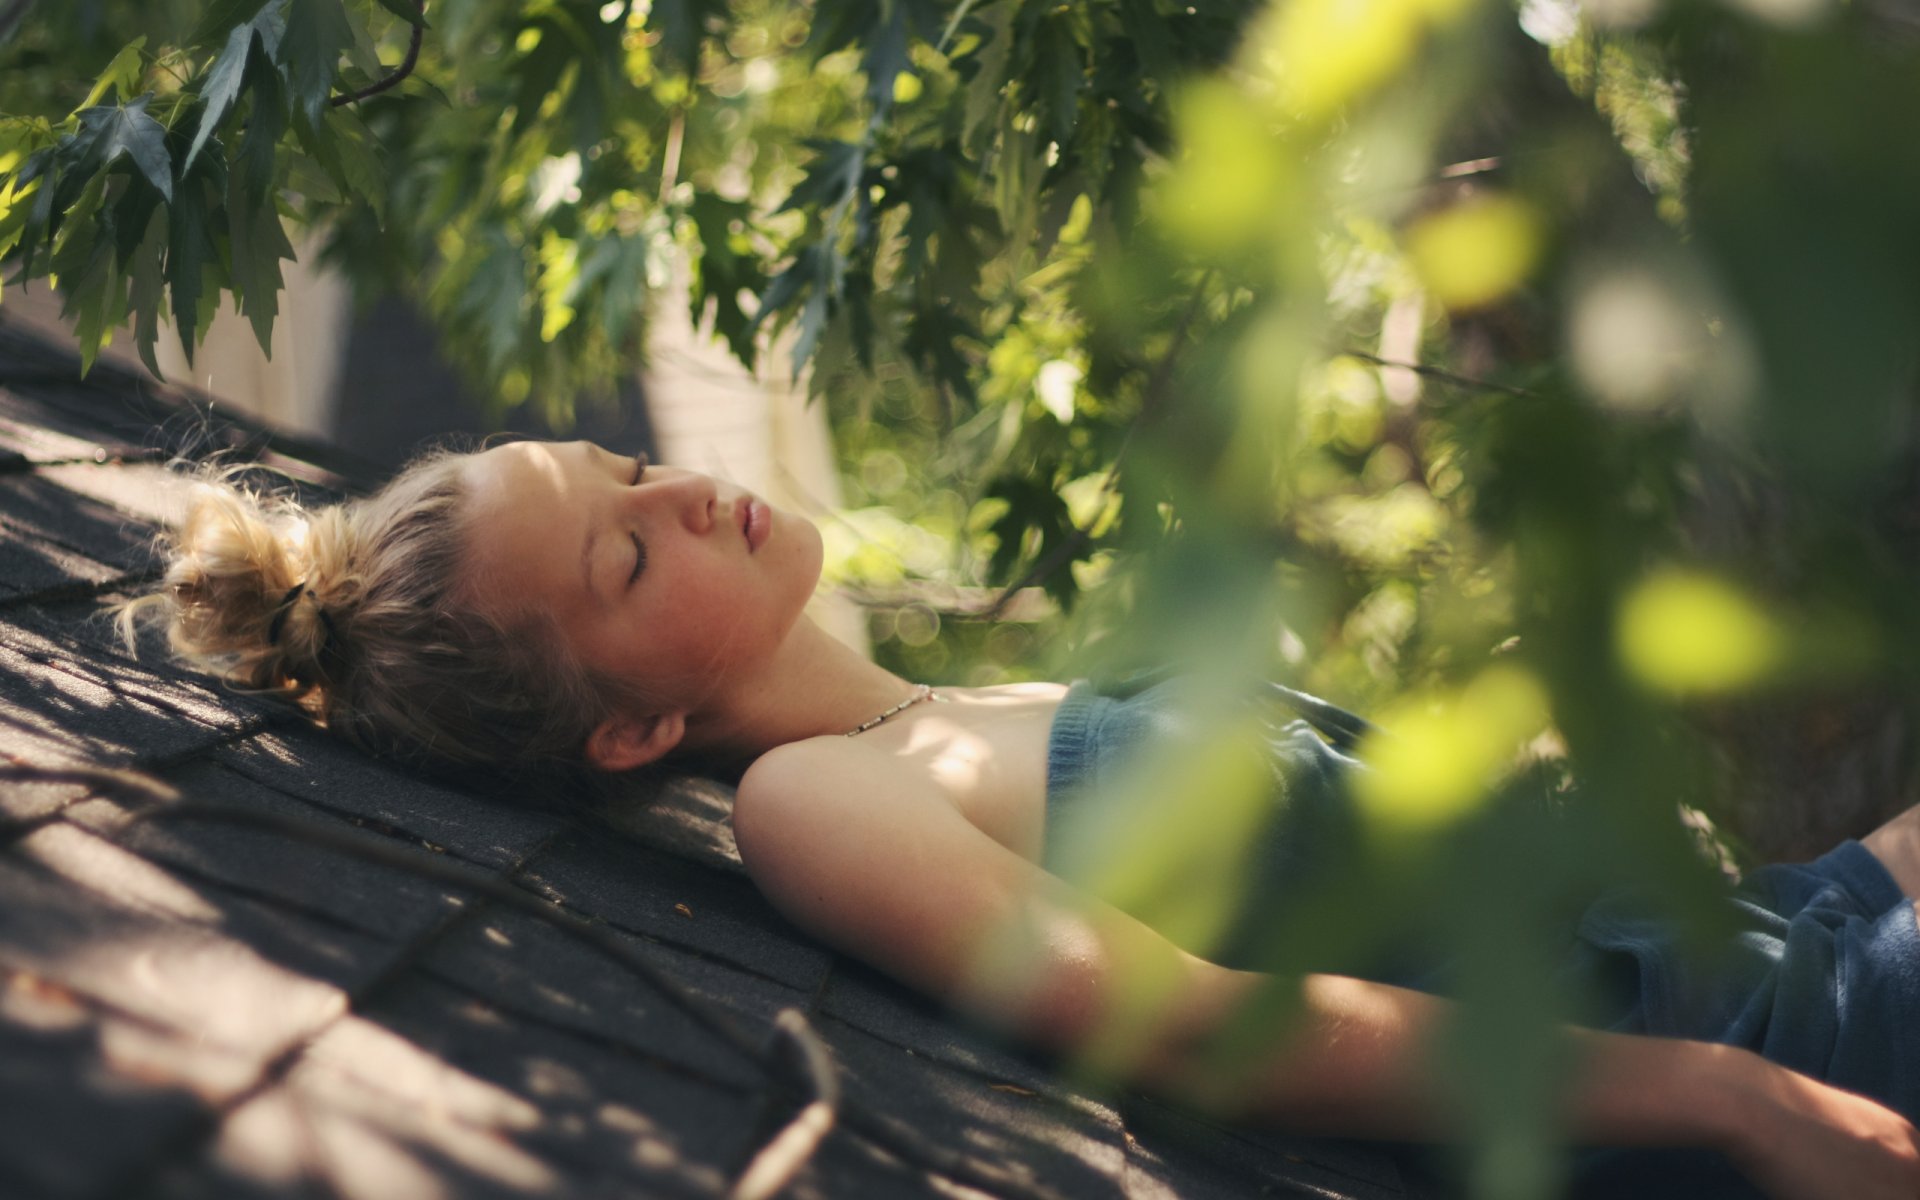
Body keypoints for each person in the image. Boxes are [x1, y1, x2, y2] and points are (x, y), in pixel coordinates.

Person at [123, 438, 1920, 1199]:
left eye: (621, 467)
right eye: (626, 547)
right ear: (632, 733)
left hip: (1797, 943)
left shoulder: (955, 714)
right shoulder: (816, 806)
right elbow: (1209, 1032)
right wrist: (1731, 1096)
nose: (682, 488)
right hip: (1772, 1073)